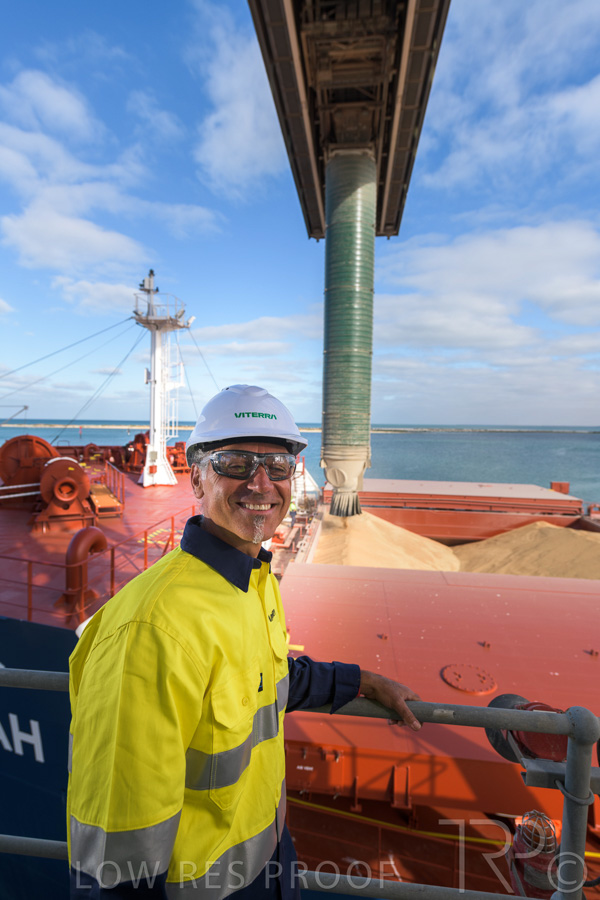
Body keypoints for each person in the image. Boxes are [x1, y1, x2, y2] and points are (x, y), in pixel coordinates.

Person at [67, 384, 421, 899]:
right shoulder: (152, 629)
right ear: (197, 477)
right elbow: (116, 858)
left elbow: (265, 680)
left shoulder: (253, 582)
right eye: (235, 463)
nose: (261, 483)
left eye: (278, 466)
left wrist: (361, 682)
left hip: (269, 868)